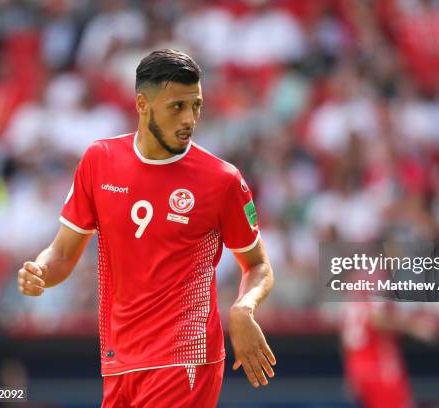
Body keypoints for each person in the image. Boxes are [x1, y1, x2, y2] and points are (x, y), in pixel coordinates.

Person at [17, 49, 276, 407]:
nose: (190, 119)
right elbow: (62, 253)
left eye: (196, 105)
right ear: (142, 104)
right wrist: (41, 271)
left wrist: (244, 308)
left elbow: (258, 264)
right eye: (177, 107)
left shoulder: (222, 181)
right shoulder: (99, 161)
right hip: (119, 362)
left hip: (185, 357)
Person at [341, 302, 439, 408]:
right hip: (380, 368)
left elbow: (347, 338)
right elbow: (377, 318)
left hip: (359, 365)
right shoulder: (372, 290)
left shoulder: (354, 298)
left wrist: (350, 372)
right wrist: (415, 326)